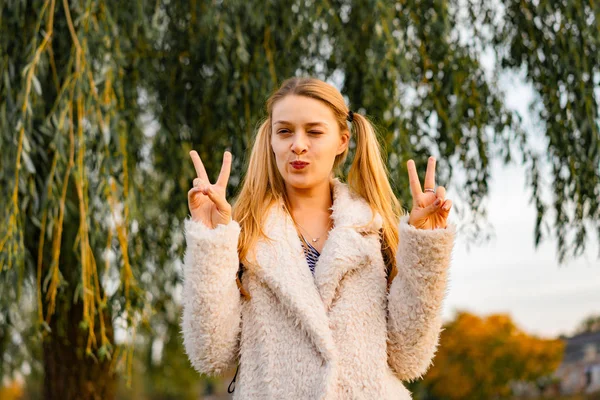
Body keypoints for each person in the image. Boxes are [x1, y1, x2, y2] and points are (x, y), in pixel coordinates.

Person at [181, 77, 456, 399]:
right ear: (270, 141)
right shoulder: (242, 234)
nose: (298, 144)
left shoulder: (375, 230)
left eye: (313, 131)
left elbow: (410, 359)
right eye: (284, 131)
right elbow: (210, 355)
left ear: (342, 141)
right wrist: (211, 239)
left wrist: (426, 243)